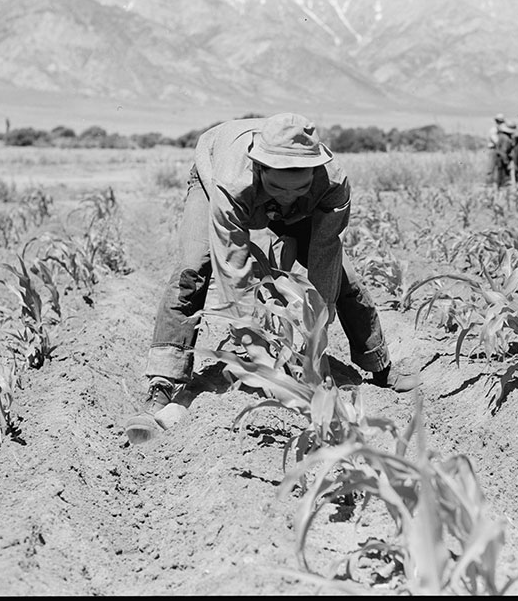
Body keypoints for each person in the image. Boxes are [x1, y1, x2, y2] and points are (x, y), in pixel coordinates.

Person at [125, 112, 419, 442]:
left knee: (344, 278)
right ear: (261, 167)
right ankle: (163, 386)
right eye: (279, 187)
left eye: (300, 186)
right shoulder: (231, 182)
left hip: (302, 209)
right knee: (191, 271)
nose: (288, 196)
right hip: (215, 180)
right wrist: (255, 344)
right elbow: (233, 269)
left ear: (315, 170)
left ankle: (379, 366)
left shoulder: (333, 184)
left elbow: (325, 252)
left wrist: (316, 331)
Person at [489, 118, 516, 188]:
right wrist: (507, 163)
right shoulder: (506, 139)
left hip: (499, 159)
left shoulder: (501, 136)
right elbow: (503, 152)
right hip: (502, 160)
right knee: (502, 178)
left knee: (498, 176)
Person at [486, 113, 507, 185]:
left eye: (501, 121)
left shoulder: (503, 131)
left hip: (500, 150)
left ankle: (499, 184)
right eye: (498, 121)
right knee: (490, 168)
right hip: (493, 150)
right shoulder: (493, 130)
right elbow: (496, 141)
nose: (500, 123)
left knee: (500, 169)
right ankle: (489, 184)